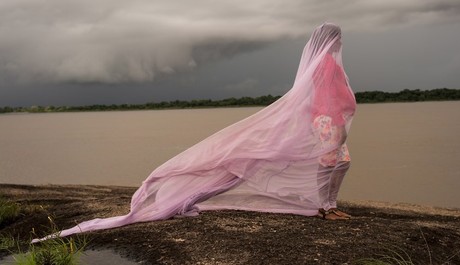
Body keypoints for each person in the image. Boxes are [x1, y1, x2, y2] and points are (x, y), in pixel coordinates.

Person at [33, 22, 356, 242]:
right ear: (329, 39)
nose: (340, 40)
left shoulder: (325, 61)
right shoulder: (326, 63)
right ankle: (326, 208)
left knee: (334, 162)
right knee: (335, 161)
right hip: (327, 119)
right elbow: (327, 96)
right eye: (336, 36)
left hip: (325, 118)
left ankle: (327, 205)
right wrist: (337, 122)